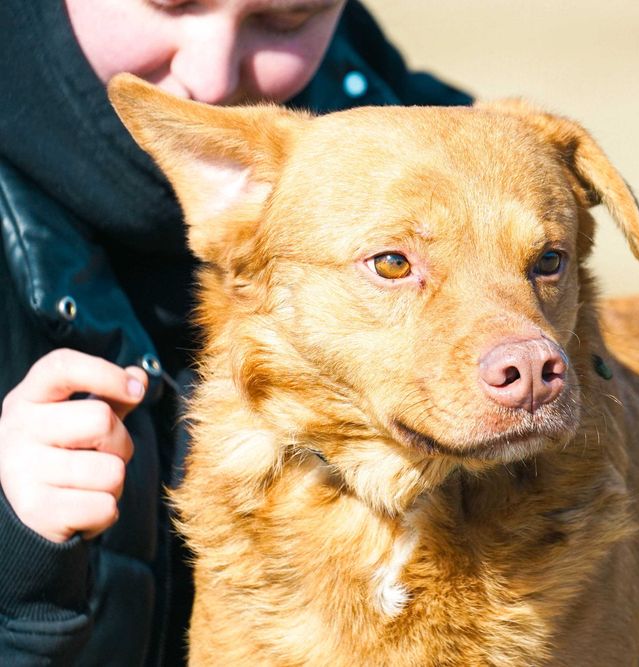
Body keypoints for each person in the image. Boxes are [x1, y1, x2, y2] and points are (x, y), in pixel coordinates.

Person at [0, 1, 471, 664]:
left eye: (284, 20)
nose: (214, 76)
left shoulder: (398, 116)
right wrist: (15, 563)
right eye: (173, 2)